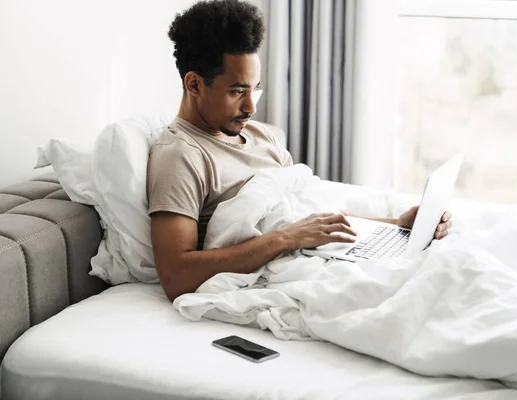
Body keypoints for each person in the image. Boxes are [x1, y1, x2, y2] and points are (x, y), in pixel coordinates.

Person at [147, 0, 452, 302]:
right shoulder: (180, 156)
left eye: (254, 89)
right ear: (195, 85)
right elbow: (177, 275)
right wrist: (284, 239)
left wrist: (397, 226)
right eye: (237, 91)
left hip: (320, 255)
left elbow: (308, 219)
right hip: (292, 271)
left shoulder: (260, 135)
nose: (251, 106)